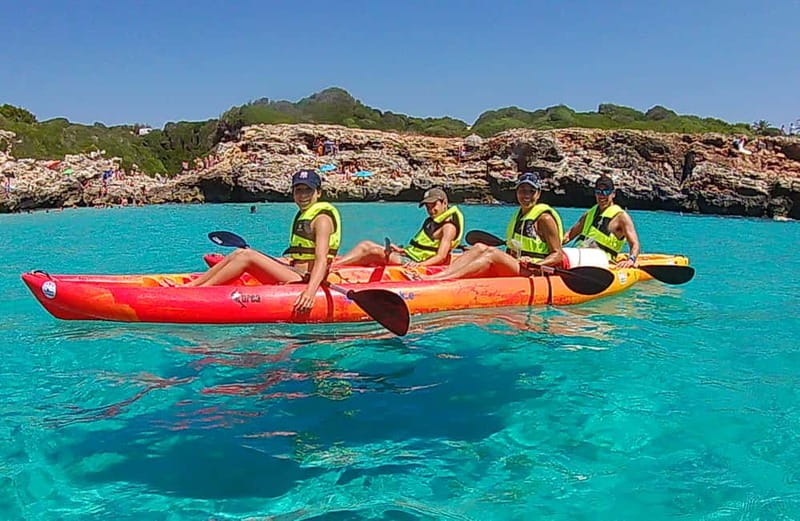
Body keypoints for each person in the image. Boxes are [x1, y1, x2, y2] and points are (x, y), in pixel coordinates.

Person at [187, 170, 341, 313]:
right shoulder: (304, 215)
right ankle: (192, 286)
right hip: (294, 272)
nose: (303, 195)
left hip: (305, 279)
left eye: (308, 190)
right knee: (240, 252)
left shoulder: (322, 220)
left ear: (318, 193)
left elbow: (321, 260)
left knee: (246, 256)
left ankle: (201, 292)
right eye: (298, 190)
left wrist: (310, 292)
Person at [425, 172, 565, 280]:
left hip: (534, 272)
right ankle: (441, 275)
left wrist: (538, 263)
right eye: (522, 191)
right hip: (518, 266)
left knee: (491, 253)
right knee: (479, 246)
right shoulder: (519, 216)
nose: (526, 195)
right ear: (517, 192)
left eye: (531, 191)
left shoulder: (545, 219)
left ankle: (445, 279)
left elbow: (557, 254)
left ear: (538, 194)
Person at [334, 188, 464, 268]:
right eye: (427, 207)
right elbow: (419, 248)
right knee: (365, 244)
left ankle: (335, 266)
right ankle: (337, 264)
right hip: (410, 257)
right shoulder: (431, 222)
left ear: (444, 203)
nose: (430, 210)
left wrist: (419, 266)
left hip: (416, 262)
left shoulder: (448, 227)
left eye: (433, 205)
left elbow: (441, 256)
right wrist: (401, 250)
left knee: (375, 251)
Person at [562, 175, 640, 268]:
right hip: (581, 258)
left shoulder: (621, 217)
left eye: (606, 192)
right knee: (560, 255)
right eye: (599, 192)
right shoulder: (589, 214)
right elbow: (569, 235)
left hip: (603, 263)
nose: (602, 195)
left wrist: (631, 259)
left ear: (613, 194)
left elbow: (634, 244)